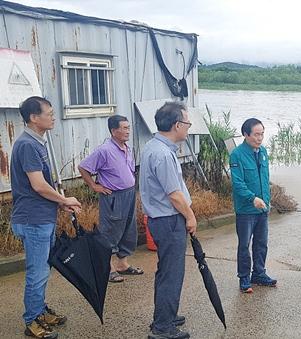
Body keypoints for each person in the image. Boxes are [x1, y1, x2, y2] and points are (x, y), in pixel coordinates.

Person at [11, 96, 82, 339]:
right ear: (33, 117)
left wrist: (58, 205)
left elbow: (42, 187)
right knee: (37, 271)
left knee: (43, 269)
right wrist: (65, 200)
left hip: (42, 217)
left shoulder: (36, 142)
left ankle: (39, 310)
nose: (53, 117)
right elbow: (39, 185)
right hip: (33, 220)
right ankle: (32, 321)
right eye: (49, 113)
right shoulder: (28, 145)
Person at [139, 102, 196, 339]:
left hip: (162, 220)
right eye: (187, 124)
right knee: (171, 274)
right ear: (177, 125)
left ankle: (164, 316)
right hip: (169, 220)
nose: (188, 129)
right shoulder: (162, 154)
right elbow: (174, 194)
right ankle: (163, 328)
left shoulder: (155, 147)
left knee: (166, 272)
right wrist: (190, 216)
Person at [78, 115, 143, 283]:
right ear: (114, 131)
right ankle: (108, 268)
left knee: (128, 229)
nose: (128, 131)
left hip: (129, 194)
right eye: (124, 128)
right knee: (111, 231)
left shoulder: (127, 147)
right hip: (114, 197)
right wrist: (94, 185)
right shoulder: (104, 150)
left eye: (129, 127)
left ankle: (123, 264)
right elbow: (83, 167)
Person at [229, 118, 276, 293]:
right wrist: (252, 198)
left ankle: (259, 273)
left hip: (262, 208)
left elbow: (265, 179)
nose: (260, 138)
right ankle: (244, 278)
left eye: (262, 134)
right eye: (256, 134)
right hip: (246, 210)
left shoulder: (263, 152)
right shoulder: (237, 155)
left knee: (261, 243)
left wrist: (267, 201)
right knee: (244, 245)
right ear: (246, 134)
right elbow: (237, 183)